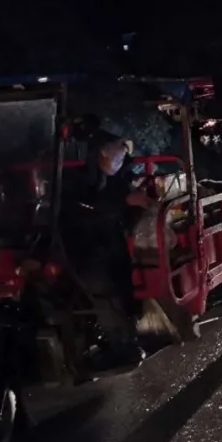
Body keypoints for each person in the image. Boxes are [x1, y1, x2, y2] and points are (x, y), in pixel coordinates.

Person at [67, 115, 153, 371]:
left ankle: (124, 338)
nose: (120, 157)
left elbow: (126, 204)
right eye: (117, 151)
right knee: (99, 283)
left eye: (123, 151)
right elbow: (81, 208)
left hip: (109, 241)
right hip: (82, 242)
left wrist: (138, 206)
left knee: (114, 280)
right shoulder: (80, 177)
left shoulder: (119, 177)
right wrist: (124, 204)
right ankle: (120, 341)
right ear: (101, 153)